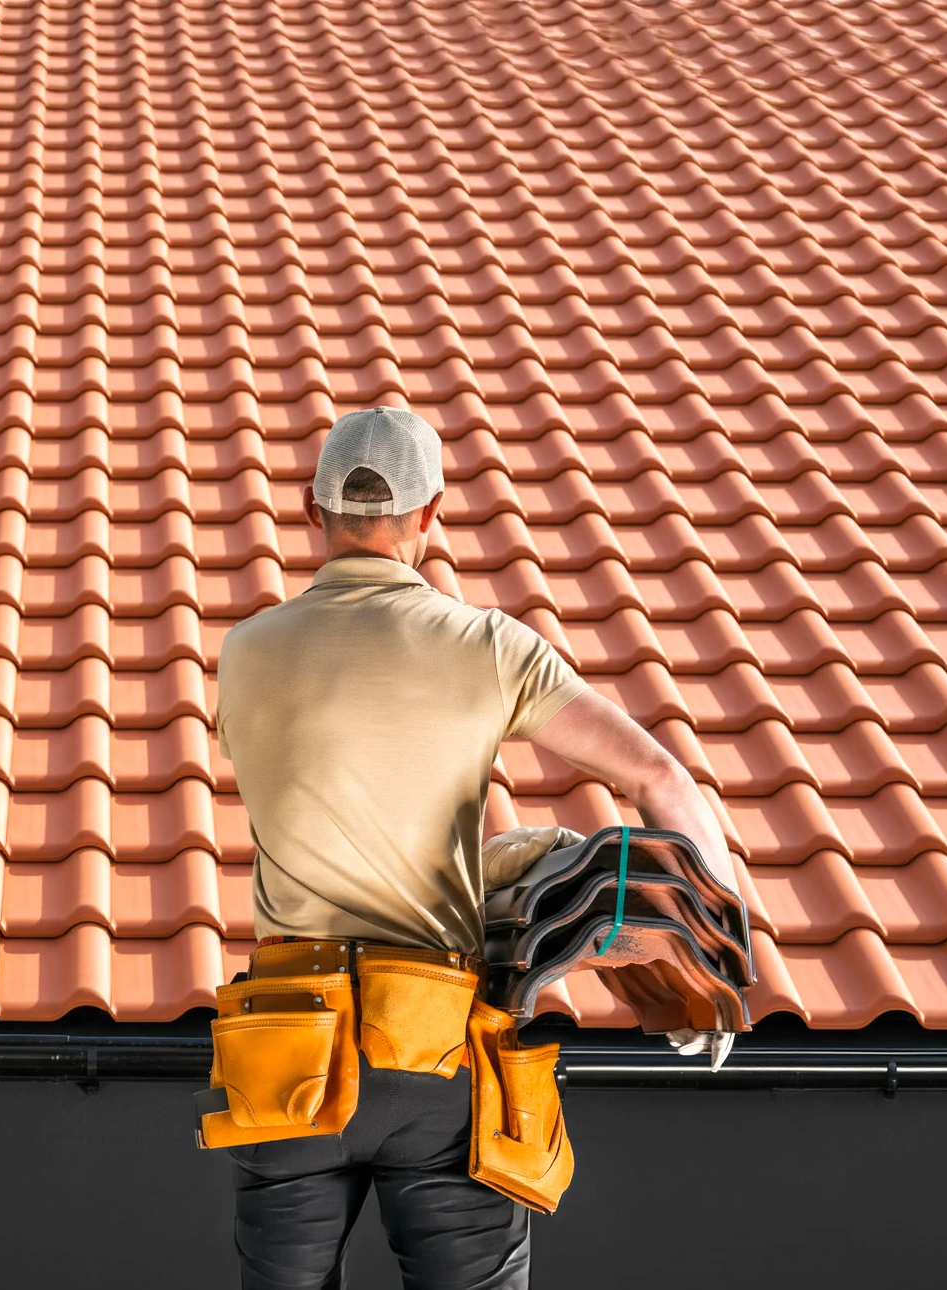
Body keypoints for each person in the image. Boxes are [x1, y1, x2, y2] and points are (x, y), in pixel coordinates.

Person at [213, 406, 736, 1290]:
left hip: (289, 1046)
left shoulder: (245, 650)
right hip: (436, 1046)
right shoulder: (488, 646)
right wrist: (714, 960)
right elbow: (659, 777)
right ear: (430, 515)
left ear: (313, 513)